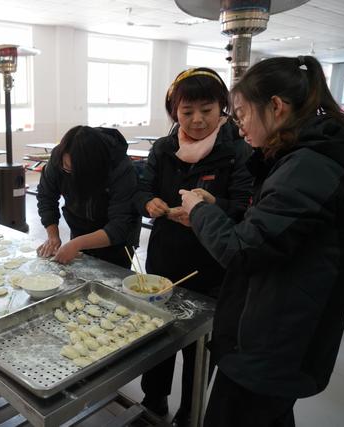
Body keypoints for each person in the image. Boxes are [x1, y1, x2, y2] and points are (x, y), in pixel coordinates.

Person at [178, 56, 344, 427]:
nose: (240, 126)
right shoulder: (304, 159)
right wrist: (221, 210)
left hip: (273, 341)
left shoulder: (307, 167)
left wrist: (199, 210)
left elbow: (242, 251)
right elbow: (274, 233)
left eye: (242, 114)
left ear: (276, 107)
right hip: (277, 331)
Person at [134, 67, 252, 426]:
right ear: (175, 112)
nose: (197, 120)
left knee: (200, 344)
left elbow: (245, 205)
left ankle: (190, 410)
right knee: (157, 332)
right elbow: (141, 189)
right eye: (187, 112)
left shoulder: (237, 150)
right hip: (165, 259)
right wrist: (149, 202)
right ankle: (154, 401)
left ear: (222, 108)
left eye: (207, 110)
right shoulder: (164, 148)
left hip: (212, 263)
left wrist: (211, 208)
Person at [36, 125, 141, 267]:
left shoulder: (120, 168)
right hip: (79, 227)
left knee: (111, 277)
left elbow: (120, 225)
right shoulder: (59, 157)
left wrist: (77, 244)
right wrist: (53, 236)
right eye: (66, 168)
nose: (69, 172)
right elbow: (46, 196)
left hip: (116, 242)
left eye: (75, 171)